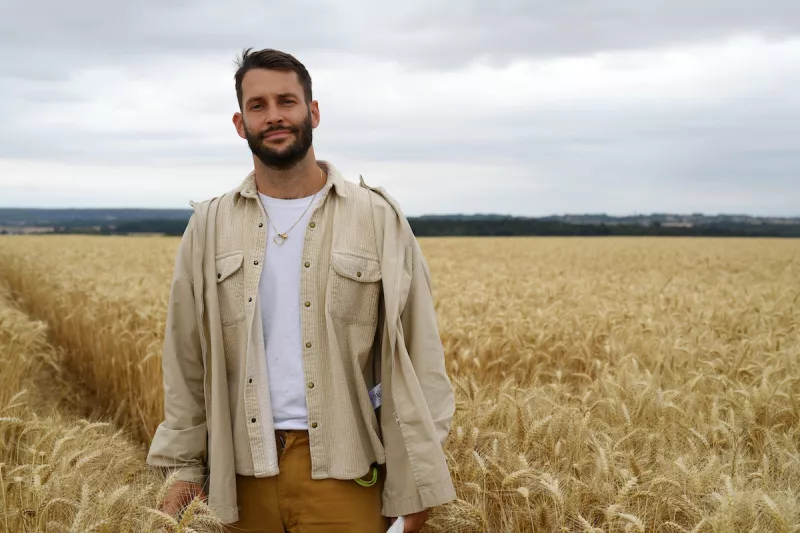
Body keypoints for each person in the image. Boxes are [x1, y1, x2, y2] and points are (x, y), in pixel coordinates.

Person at [146, 47, 456, 533]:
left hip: (346, 473)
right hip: (240, 474)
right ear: (240, 123)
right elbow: (185, 361)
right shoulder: (208, 227)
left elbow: (420, 356)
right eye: (258, 105)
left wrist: (418, 480)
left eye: (286, 101)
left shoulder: (377, 219)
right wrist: (183, 467)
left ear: (313, 111)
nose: (274, 116)